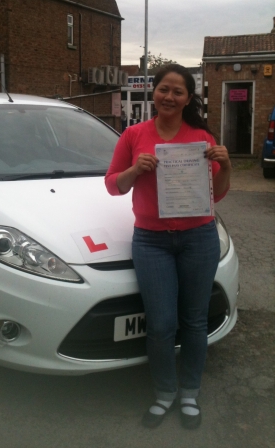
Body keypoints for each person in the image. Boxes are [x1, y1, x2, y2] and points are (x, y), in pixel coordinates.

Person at [105, 64, 231, 430]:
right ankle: (164, 392)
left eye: (178, 91)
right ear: (153, 92)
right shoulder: (133, 135)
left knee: (193, 320)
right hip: (152, 241)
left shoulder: (202, 137)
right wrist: (134, 171)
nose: (169, 96)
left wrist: (225, 166)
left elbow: (218, 194)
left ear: (188, 98)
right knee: (160, 324)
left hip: (198, 237)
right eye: (164, 89)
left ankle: (189, 391)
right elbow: (114, 185)